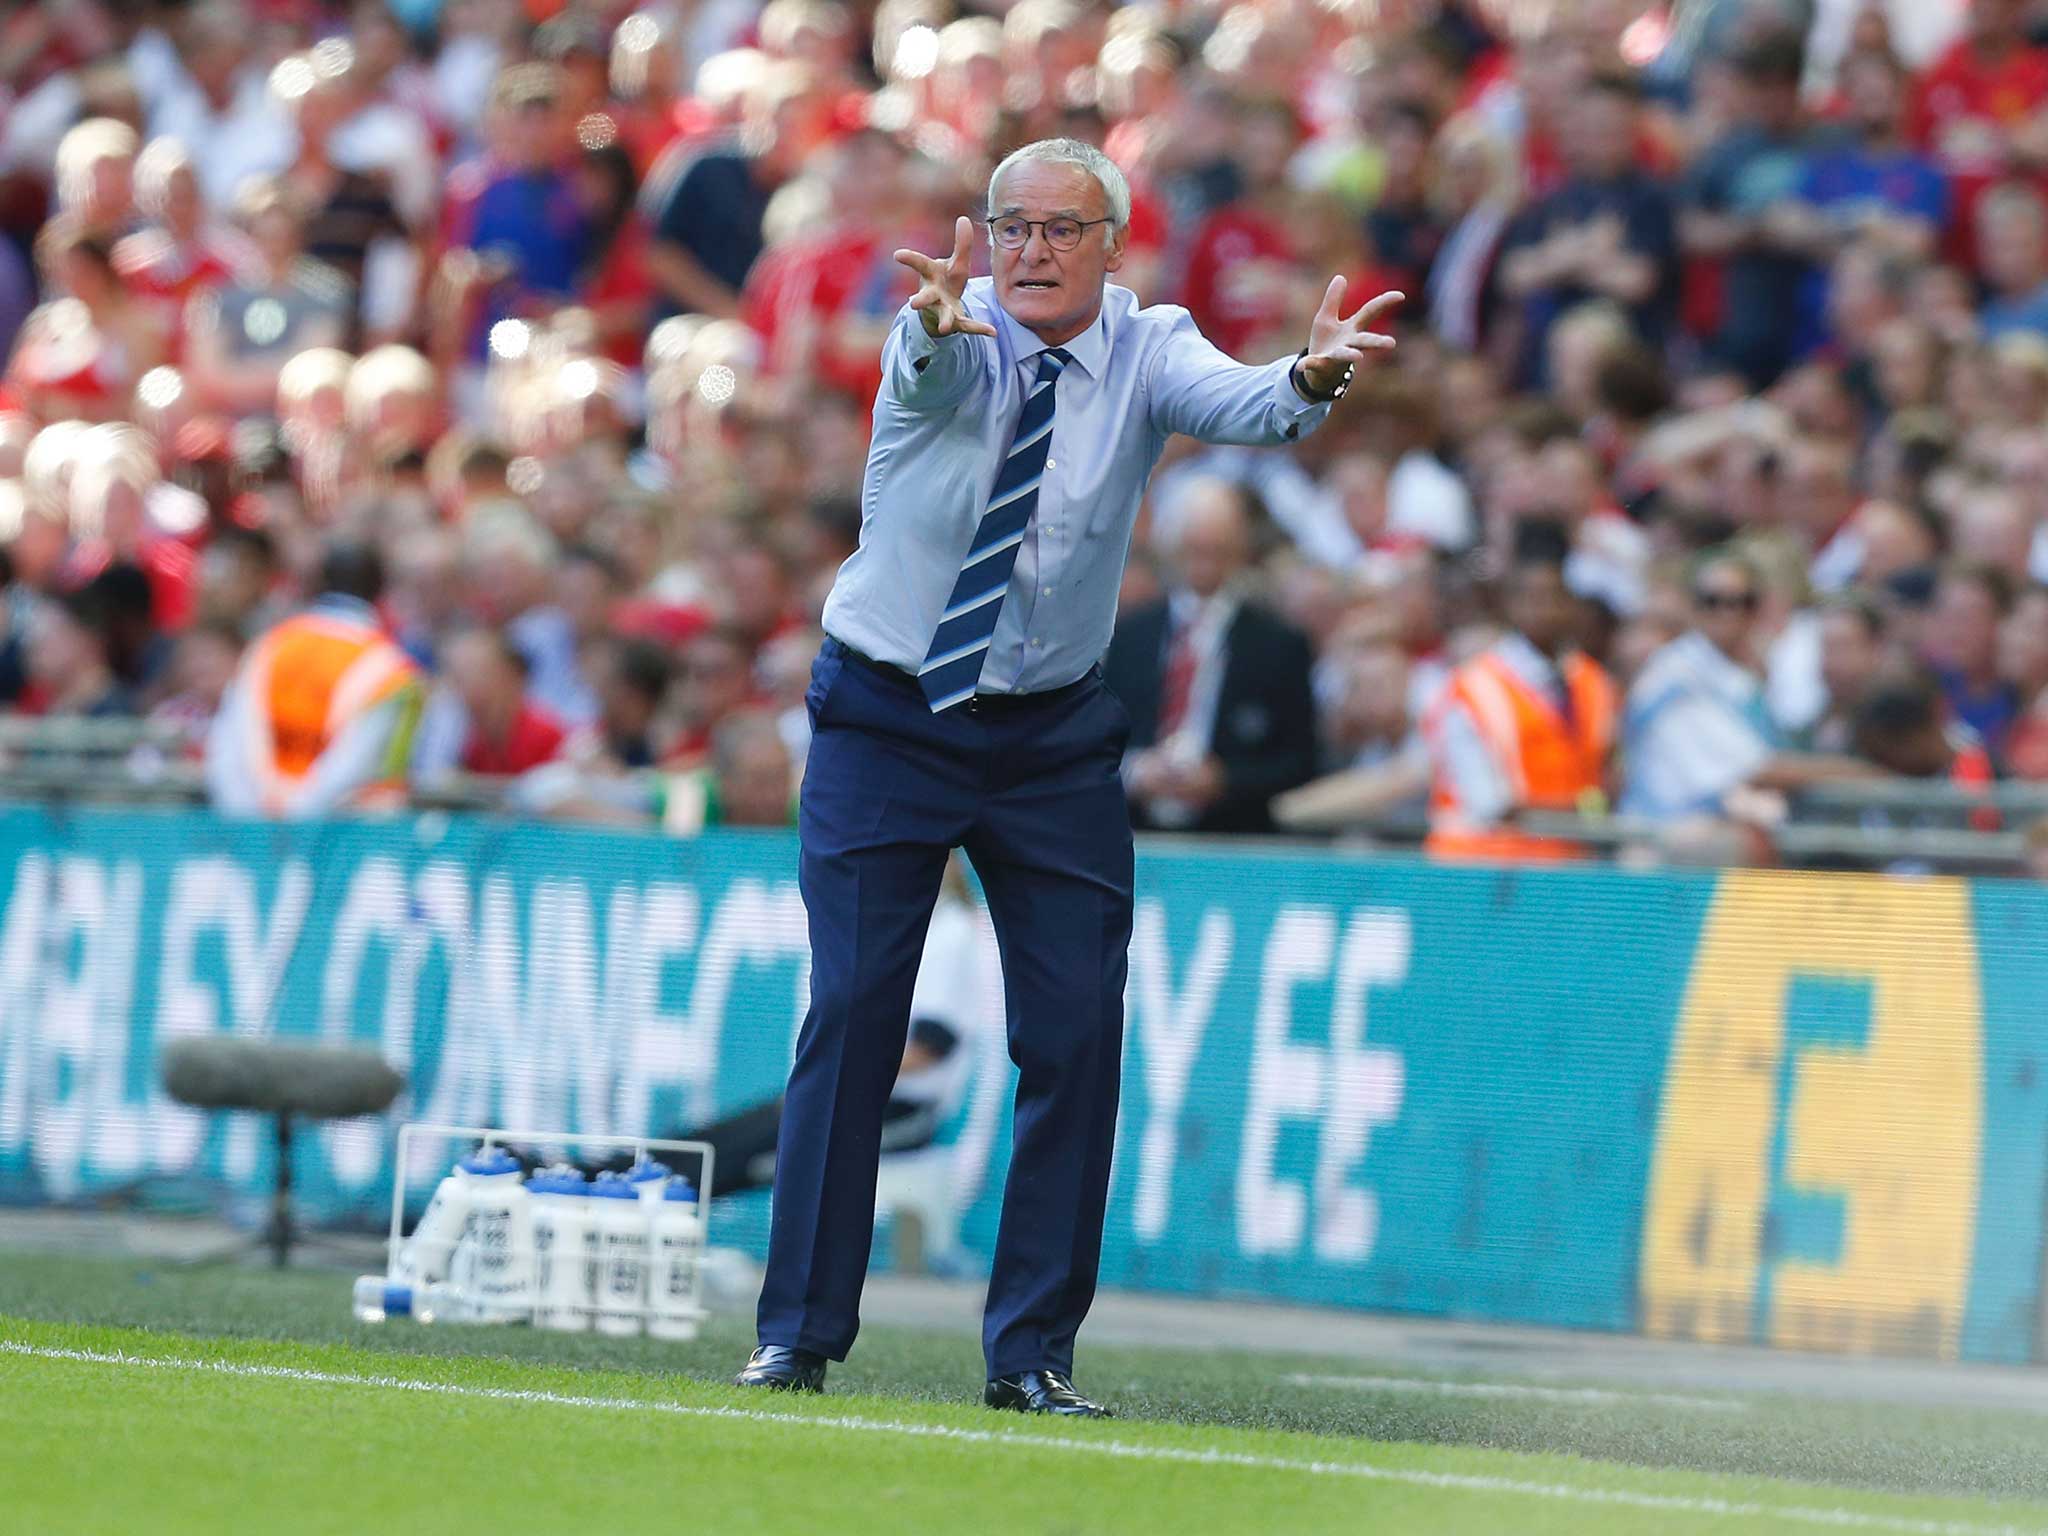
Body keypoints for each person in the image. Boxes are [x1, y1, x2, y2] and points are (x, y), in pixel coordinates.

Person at [735, 136, 1399, 1413]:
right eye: (1011, 227)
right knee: (857, 1005)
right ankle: (798, 1335)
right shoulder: (943, 329)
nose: (1030, 251)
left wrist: (1310, 374)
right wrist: (932, 325)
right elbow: (922, 378)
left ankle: (1031, 1354)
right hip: (891, 709)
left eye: (1059, 228)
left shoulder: (1150, 345)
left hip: (1045, 733)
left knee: (1078, 1030)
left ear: (1112, 245)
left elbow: (1244, 406)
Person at [1103, 479, 1320, 834]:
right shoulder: (1130, 635)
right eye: (1195, 548)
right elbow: (1101, 739)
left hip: (1233, 838)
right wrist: (1137, 771)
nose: (1205, 561)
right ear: (1172, 548)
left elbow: (1300, 762)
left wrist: (1225, 779)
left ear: (1240, 550)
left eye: (1217, 549)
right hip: (1134, 833)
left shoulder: (1279, 645)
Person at [1422, 518, 1616, 861]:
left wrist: (1589, 811)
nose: (1547, 610)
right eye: (1534, 598)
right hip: (1481, 871)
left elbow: (1606, 774)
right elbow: (1490, 806)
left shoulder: (1592, 680)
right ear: (1509, 606)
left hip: (1568, 867)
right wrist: (1583, 813)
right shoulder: (1473, 688)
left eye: (1556, 597)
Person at [204, 541, 423, 818]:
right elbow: (353, 768)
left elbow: (228, 748)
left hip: (255, 833)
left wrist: (253, 827)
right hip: (337, 843)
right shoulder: (391, 670)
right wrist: (298, 820)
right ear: (381, 590)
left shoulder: (270, 646)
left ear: (320, 581)